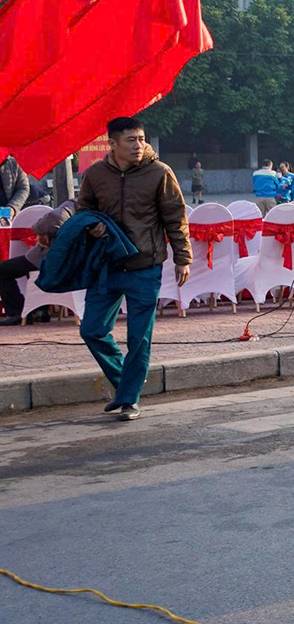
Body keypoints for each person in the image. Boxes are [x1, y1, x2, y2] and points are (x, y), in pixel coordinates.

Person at [75, 116, 191, 420]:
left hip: (145, 266)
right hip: (107, 265)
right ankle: (128, 383)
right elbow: (83, 209)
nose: (138, 145)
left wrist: (183, 257)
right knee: (92, 330)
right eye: (131, 140)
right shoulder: (95, 174)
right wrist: (92, 227)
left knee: (138, 337)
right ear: (112, 144)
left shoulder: (159, 173)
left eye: (141, 138)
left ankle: (128, 400)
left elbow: (175, 218)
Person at [0, 198, 74, 325]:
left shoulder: (78, 204)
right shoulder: (104, 214)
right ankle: (39, 311)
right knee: (31, 269)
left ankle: (18, 313)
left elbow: (54, 217)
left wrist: (40, 230)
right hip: (77, 263)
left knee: (4, 270)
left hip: (55, 260)